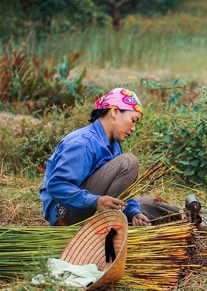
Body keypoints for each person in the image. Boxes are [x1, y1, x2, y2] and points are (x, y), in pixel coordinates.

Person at [40, 88, 177, 226]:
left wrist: (134, 213)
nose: (134, 128)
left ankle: (178, 217)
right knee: (128, 162)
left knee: (155, 205)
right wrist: (96, 201)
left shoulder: (113, 144)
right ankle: (107, 226)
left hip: (92, 206)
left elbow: (121, 191)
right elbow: (56, 185)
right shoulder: (84, 142)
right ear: (115, 112)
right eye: (133, 120)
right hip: (66, 213)